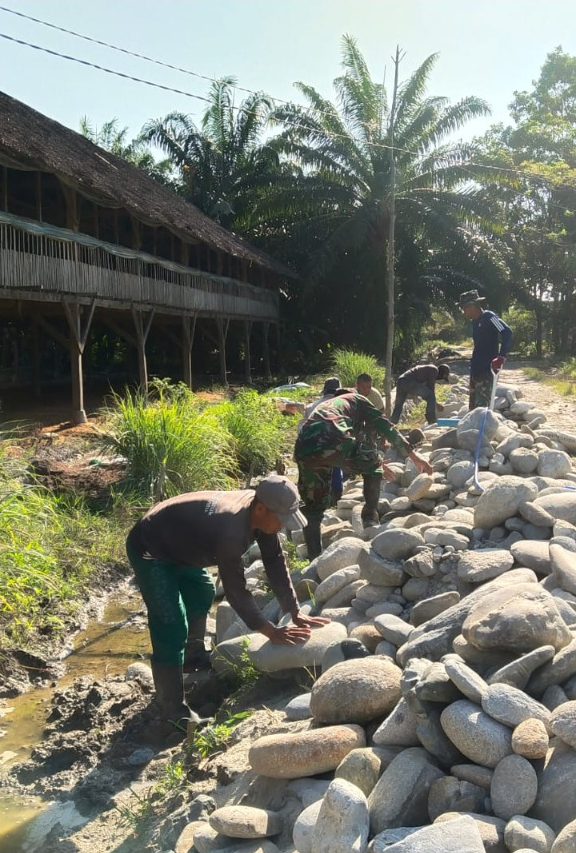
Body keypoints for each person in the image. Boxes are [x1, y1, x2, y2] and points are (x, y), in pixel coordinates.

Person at [126, 476, 330, 729]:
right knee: (171, 623)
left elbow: (275, 561)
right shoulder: (231, 532)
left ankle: (191, 656)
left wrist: (294, 610)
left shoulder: (260, 515)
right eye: (281, 519)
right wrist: (270, 631)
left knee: (202, 592)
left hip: (181, 544)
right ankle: (171, 709)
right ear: (261, 509)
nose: (282, 526)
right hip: (151, 548)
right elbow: (236, 592)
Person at [294, 392, 430, 558]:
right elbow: (385, 426)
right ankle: (369, 518)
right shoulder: (358, 400)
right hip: (333, 438)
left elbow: (354, 441)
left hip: (304, 446)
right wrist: (413, 456)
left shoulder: (330, 407)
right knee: (374, 466)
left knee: (313, 507)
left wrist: (371, 461)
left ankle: (314, 558)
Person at [457, 290, 512, 409]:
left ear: (471, 306)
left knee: (482, 408)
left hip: (487, 370)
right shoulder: (474, 322)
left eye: (464, 309)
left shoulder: (489, 317)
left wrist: (501, 356)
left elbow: (507, 332)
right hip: (476, 369)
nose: (463, 312)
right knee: (473, 408)